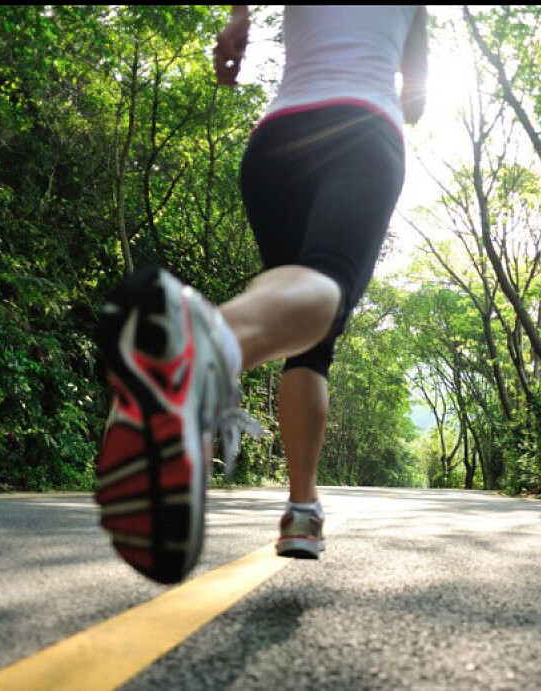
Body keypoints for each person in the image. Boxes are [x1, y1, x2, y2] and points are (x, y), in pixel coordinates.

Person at [93, 5, 428, 584]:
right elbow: (416, 96)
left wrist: (237, 21)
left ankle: (301, 509)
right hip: (361, 130)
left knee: (301, 325)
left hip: (278, 142)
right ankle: (201, 348)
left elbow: (238, 29)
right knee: (327, 286)